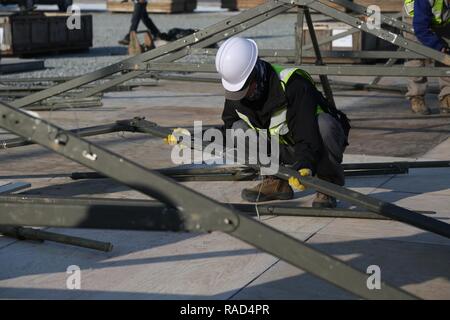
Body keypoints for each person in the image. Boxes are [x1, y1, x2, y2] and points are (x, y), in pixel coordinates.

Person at [215, 37, 350, 208]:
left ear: (254, 76)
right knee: (237, 129)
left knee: (325, 124)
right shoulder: (237, 92)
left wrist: (304, 163)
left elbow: (307, 133)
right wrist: (193, 136)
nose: (239, 95)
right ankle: (276, 181)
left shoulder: (294, 85)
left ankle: (327, 184)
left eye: (242, 89)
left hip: (316, 141)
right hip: (283, 145)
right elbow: (228, 126)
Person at [403, 0, 450, 114]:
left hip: (441, 21)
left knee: (447, 54)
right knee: (415, 57)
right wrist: (439, 47)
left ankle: (447, 95)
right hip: (415, 19)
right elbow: (420, 28)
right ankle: (416, 97)